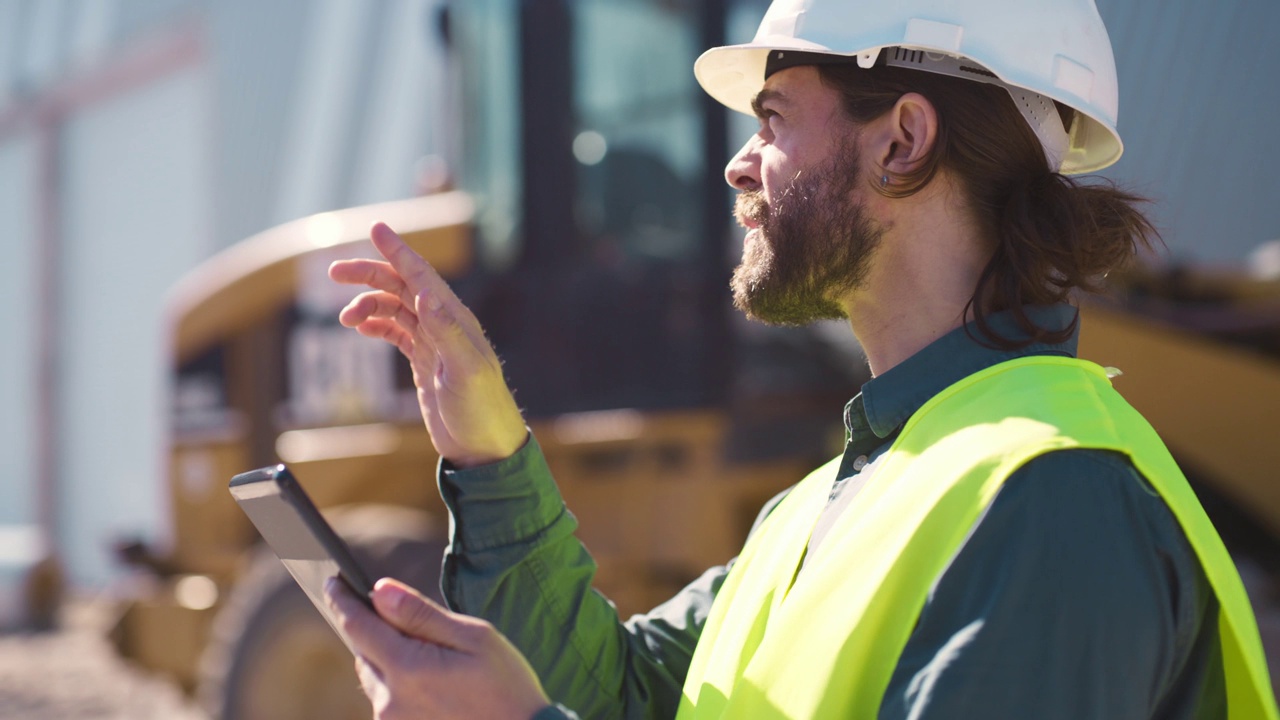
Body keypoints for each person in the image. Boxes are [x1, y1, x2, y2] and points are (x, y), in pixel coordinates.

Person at [323, 0, 1280, 717]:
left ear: (903, 142)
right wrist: (492, 456)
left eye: (773, 117)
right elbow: (623, 698)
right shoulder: (830, 500)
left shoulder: (1058, 502)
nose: (741, 164)